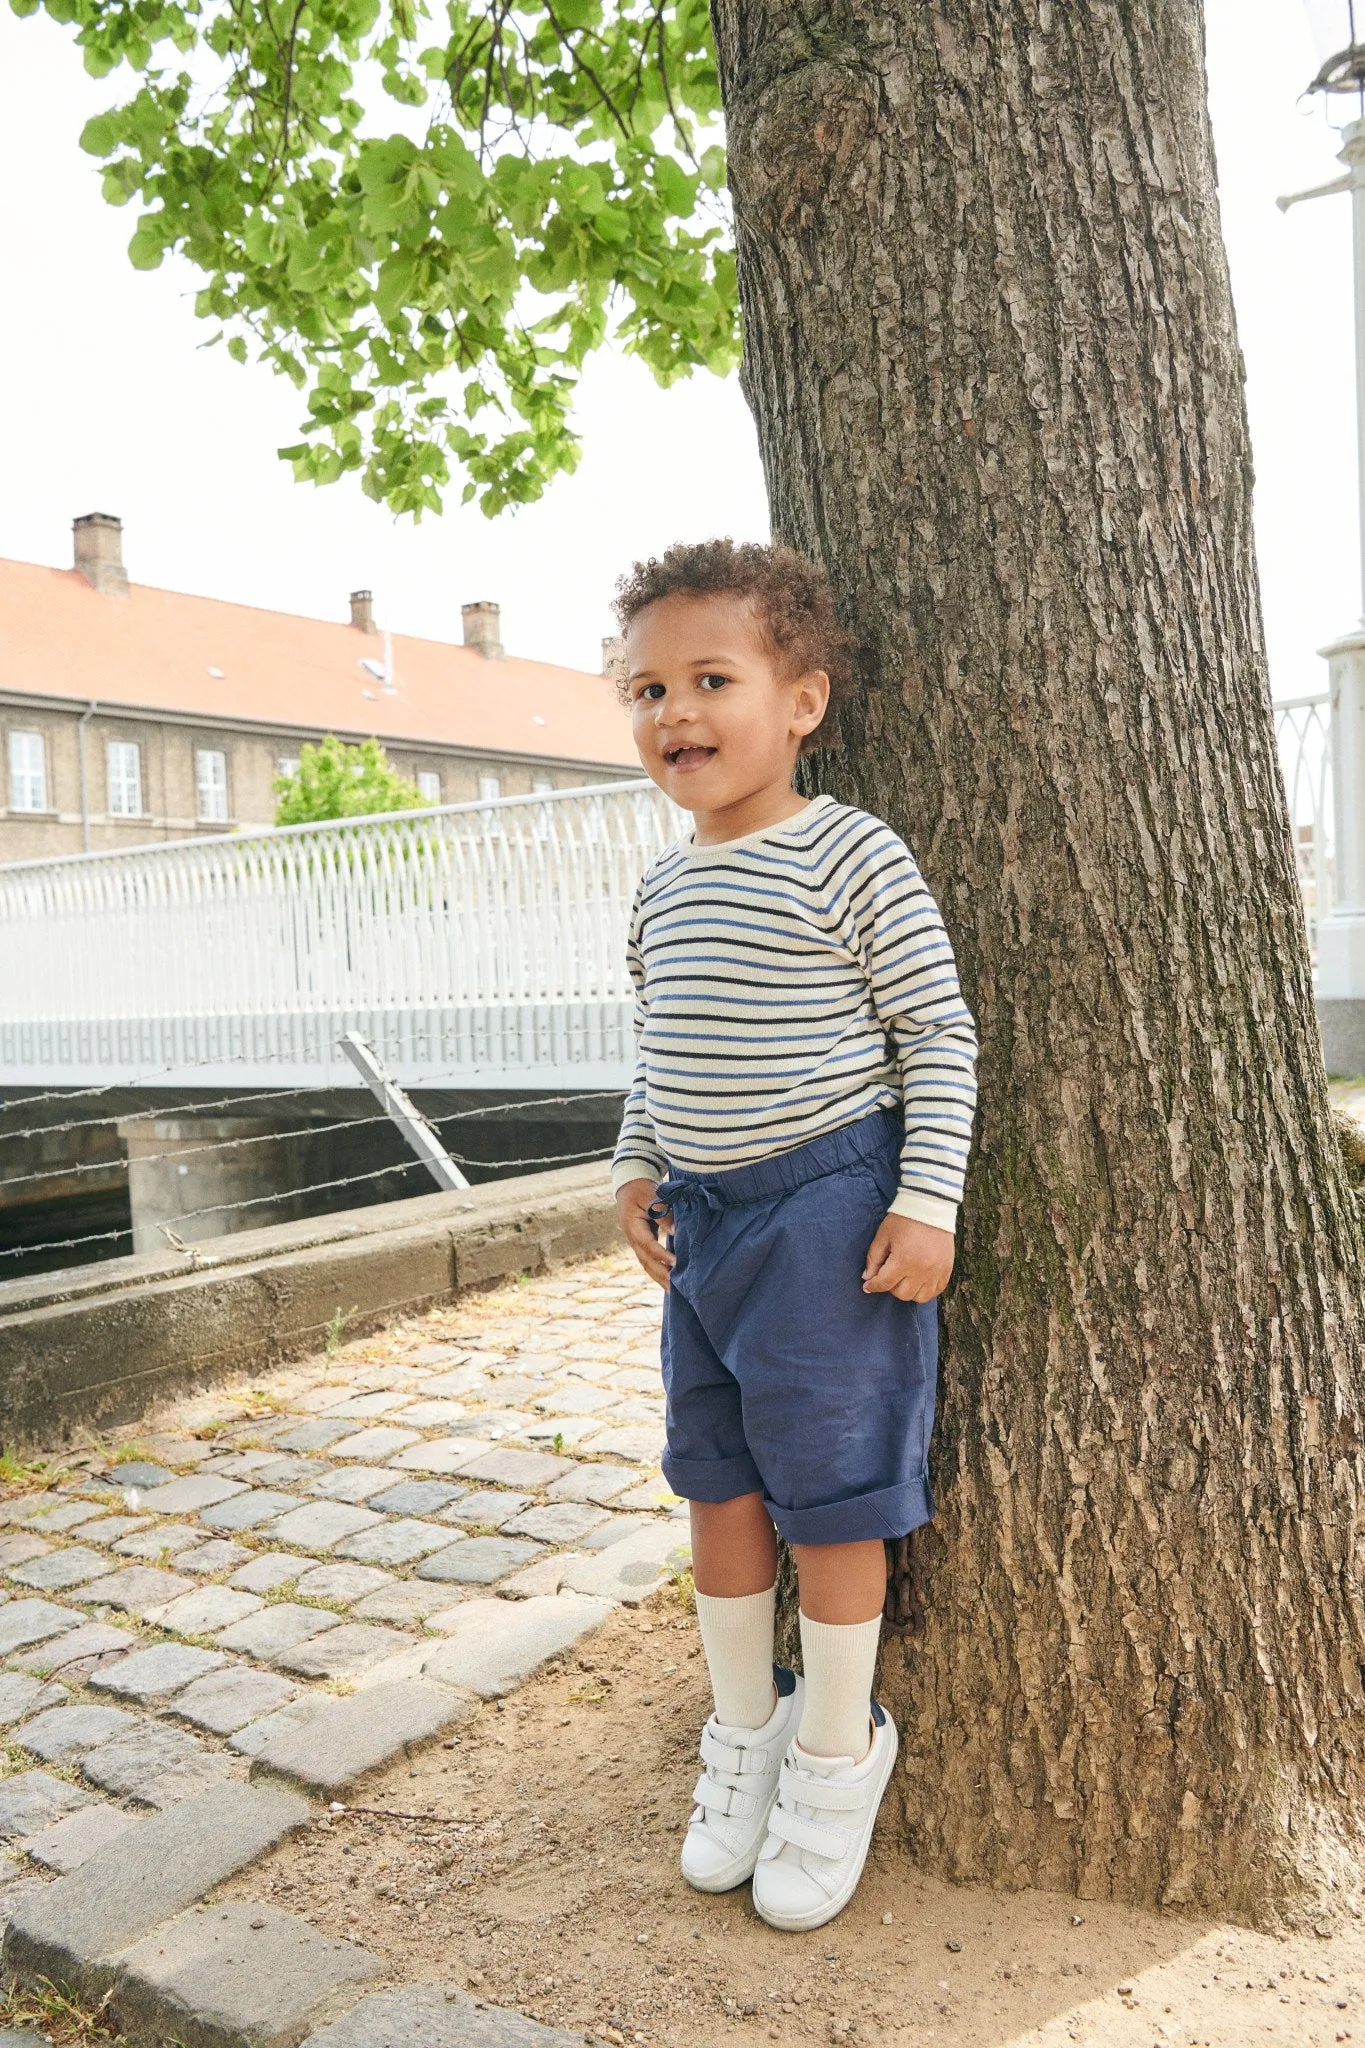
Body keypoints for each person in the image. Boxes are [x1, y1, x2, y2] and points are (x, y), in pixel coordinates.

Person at [610, 538, 978, 1933]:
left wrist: (925, 1198)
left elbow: (935, 1032)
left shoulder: (846, 851)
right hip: (703, 1231)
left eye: (712, 678)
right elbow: (659, 1046)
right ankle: (742, 1731)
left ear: (801, 701)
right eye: (646, 689)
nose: (676, 714)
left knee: (830, 1497)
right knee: (713, 1477)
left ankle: (835, 1751)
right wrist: (636, 1162)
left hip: (832, 1216)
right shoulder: (661, 886)